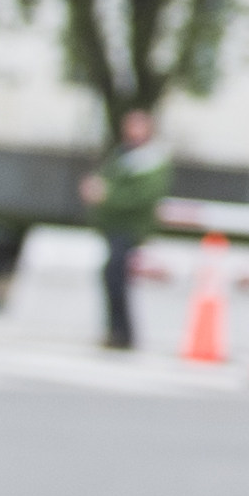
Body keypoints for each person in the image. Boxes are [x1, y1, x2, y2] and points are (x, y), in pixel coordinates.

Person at [79, 106, 166, 352]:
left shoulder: (150, 159)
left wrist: (106, 195)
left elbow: (142, 196)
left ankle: (123, 332)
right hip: (113, 226)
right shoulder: (122, 154)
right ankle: (115, 330)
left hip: (130, 228)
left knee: (117, 276)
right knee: (111, 276)